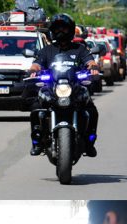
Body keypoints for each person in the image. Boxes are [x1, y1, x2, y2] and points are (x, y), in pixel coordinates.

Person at [28, 14, 99, 157]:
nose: (61, 32)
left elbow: (90, 61)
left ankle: (89, 142)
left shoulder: (79, 49)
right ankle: (37, 142)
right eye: (57, 29)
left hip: (74, 88)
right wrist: (33, 71)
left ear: (71, 30)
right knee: (36, 109)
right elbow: (36, 64)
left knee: (92, 111)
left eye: (64, 29)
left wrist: (93, 67)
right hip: (52, 88)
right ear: (52, 31)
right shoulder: (47, 50)